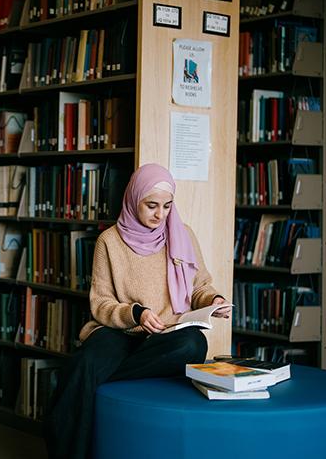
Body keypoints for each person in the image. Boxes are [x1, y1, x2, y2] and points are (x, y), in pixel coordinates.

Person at [43, 163, 230, 459]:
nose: (160, 215)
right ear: (133, 199)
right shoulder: (109, 241)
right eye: (151, 205)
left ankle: (98, 380)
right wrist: (136, 313)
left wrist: (213, 301)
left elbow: (199, 287)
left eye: (167, 206)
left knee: (194, 344)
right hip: (121, 330)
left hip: (165, 334)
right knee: (85, 364)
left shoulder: (183, 235)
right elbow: (101, 303)